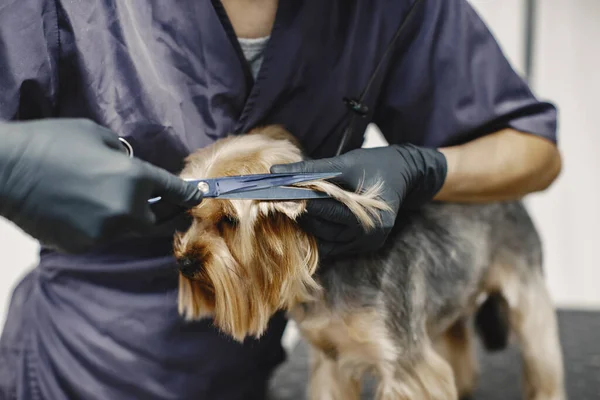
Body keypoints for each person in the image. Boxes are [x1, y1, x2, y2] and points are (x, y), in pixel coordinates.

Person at [0, 0, 561, 399]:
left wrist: (428, 167)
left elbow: (535, 149)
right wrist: (11, 160)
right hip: (75, 366)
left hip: (245, 369)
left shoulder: (387, 8)